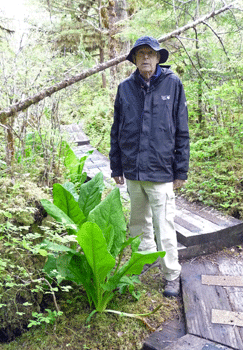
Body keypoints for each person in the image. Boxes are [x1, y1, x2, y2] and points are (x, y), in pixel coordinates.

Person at [109, 36, 189, 297]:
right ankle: (142, 263)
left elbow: (181, 130)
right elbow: (116, 130)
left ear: (158, 58)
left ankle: (171, 275)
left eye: (150, 53)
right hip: (132, 170)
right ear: (134, 59)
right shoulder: (124, 88)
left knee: (164, 225)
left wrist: (181, 170)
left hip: (161, 170)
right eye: (140, 53)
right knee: (138, 224)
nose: (145, 57)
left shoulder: (173, 83)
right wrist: (116, 166)